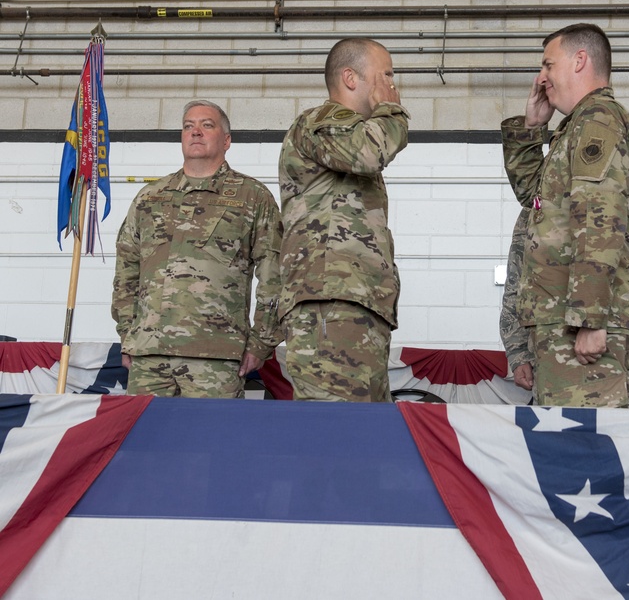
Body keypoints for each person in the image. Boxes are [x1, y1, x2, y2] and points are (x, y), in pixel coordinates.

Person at [501, 23, 629, 408]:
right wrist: (532, 130)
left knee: (581, 446)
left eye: (549, 64)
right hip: (561, 319)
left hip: (578, 324)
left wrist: (590, 320)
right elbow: (533, 199)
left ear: (580, 60)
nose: (542, 77)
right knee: (565, 444)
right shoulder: (576, 126)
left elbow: (600, 222)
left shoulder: (597, 121)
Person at [112, 100, 282, 397]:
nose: (196, 132)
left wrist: (261, 343)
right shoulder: (150, 197)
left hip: (215, 356)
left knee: (212, 441)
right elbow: (126, 270)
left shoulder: (252, 197)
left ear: (227, 140)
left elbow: (275, 275)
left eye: (207, 125)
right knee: (145, 441)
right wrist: (128, 335)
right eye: (188, 126)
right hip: (149, 356)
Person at [278, 38, 409, 402]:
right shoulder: (325, 120)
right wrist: (393, 111)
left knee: (362, 434)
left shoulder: (347, 132)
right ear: (351, 78)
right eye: (386, 75)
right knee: (333, 432)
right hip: (330, 302)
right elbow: (370, 153)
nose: (392, 86)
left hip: (353, 303)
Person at [501, 199, 629, 408]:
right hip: (550, 356)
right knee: (555, 435)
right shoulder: (537, 207)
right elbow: (519, 283)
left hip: (620, 355)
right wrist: (518, 353)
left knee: (619, 435)